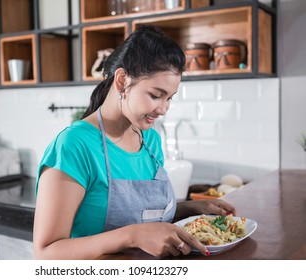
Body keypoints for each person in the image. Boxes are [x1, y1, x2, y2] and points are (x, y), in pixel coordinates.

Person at [33, 25, 236, 260]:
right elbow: (45, 253)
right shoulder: (74, 146)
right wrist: (133, 235)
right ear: (122, 81)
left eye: (169, 98)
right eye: (155, 95)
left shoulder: (150, 140)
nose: (163, 109)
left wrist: (186, 208)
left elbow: (139, 215)